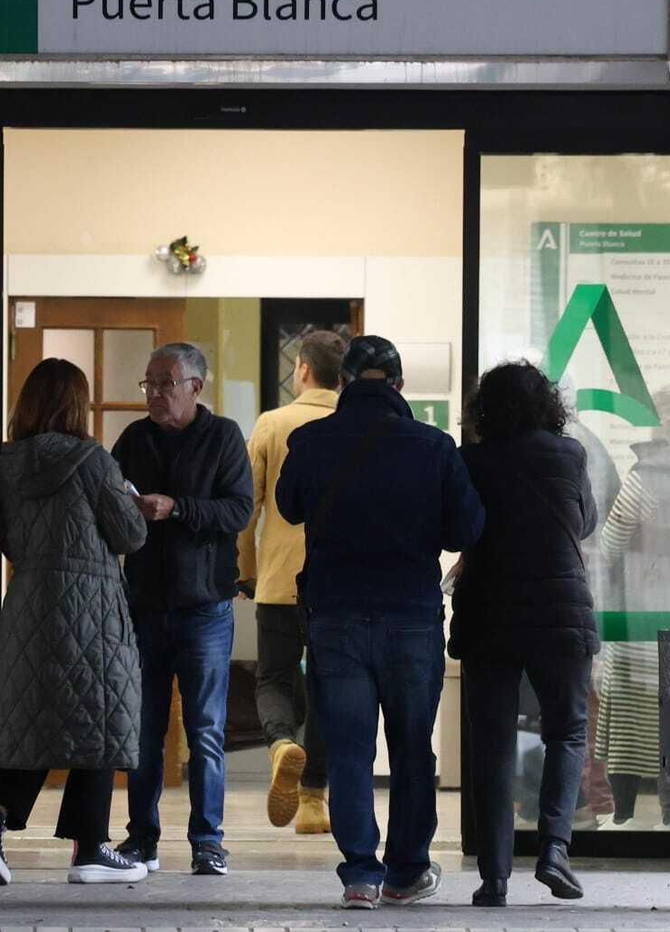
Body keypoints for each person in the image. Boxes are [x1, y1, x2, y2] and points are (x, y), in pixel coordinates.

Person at [276, 335, 484, 911]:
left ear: (343, 382)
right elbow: (465, 530)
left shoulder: (311, 440)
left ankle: (361, 874)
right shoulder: (434, 447)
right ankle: (406, 871)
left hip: (335, 617)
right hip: (411, 621)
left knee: (347, 750)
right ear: (397, 385)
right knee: (413, 749)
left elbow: (289, 505)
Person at [0, 359, 150, 886]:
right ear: (76, 404)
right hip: (89, 602)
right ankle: (90, 846)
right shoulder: (92, 459)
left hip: (26, 599)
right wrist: (133, 502)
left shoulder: (5, 462)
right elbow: (128, 534)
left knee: (29, 713)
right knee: (101, 713)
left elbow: (4, 536)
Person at [448, 361, 599, 908]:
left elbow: (460, 525)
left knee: (491, 743)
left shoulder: (472, 461)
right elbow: (586, 521)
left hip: (491, 613)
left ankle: (494, 878)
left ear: (485, 408)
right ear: (548, 405)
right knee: (567, 731)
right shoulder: (570, 455)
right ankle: (555, 848)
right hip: (561, 612)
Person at [110, 342, 252, 877]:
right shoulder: (133, 439)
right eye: (149, 383)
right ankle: (141, 840)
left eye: (166, 382)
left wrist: (178, 508)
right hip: (143, 605)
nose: (155, 393)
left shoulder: (223, 438)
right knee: (142, 729)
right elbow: (107, 501)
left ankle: (207, 842)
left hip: (205, 607)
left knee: (206, 730)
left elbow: (238, 510)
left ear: (196, 387)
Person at [238, 330, 345, 834]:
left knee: (274, 677)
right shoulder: (352, 424)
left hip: (281, 578)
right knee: (326, 686)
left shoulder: (273, 424)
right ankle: (313, 803)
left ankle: (282, 743)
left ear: (302, 368)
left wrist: (245, 568)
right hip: (337, 582)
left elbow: (247, 506)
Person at [594, 385, 670, 830]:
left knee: (627, 728)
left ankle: (623, 817)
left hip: (639, 617)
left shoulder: (643, 478)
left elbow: (609, 546)